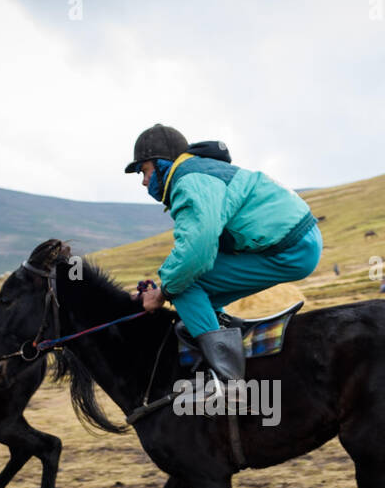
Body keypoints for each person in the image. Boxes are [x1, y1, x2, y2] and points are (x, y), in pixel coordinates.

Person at [125, 124, 321, 388]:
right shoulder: (200, 173)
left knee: (184, 286)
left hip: (289, 248)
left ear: (162, 164)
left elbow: (196, 252)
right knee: (188, 289)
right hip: (298, 240)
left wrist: (162, 293)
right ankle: (223, 331)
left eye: (144, 171)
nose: (144, 181)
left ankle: (229, 383)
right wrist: (164, 286)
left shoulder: (189, 181)